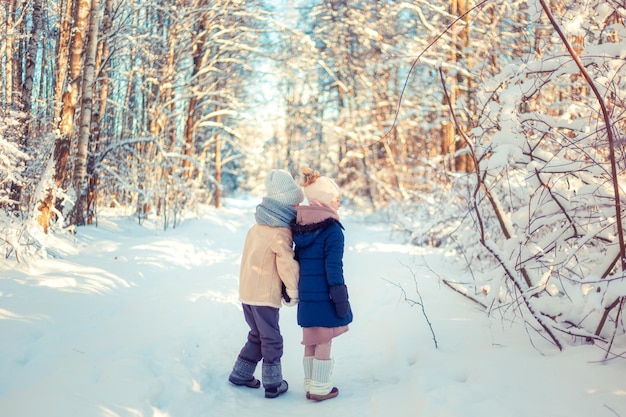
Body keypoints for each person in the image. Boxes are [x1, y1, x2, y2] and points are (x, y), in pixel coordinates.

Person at [228, 169, 304, 399]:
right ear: (284, 206)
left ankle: (240, 374)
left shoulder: (257, 227)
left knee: (257, 335)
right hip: (264, 296)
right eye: (295, 206)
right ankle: (273, 383)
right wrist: (292, 289)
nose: (297, 209)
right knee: (271, 338)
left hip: (248, 293)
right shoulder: (280, 231)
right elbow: (286, 263)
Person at [292, 166, 353, 402]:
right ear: (326, 201)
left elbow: (298, 261)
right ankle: (320, 389)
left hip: (308, 294)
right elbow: (333, 267)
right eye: (337, 199)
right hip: (326, 293)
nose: (339, 204)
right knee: (324, 338)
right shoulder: (333, 230)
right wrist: (340, 297)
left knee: (311, 337)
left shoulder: (301, 227)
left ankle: (311, 384)